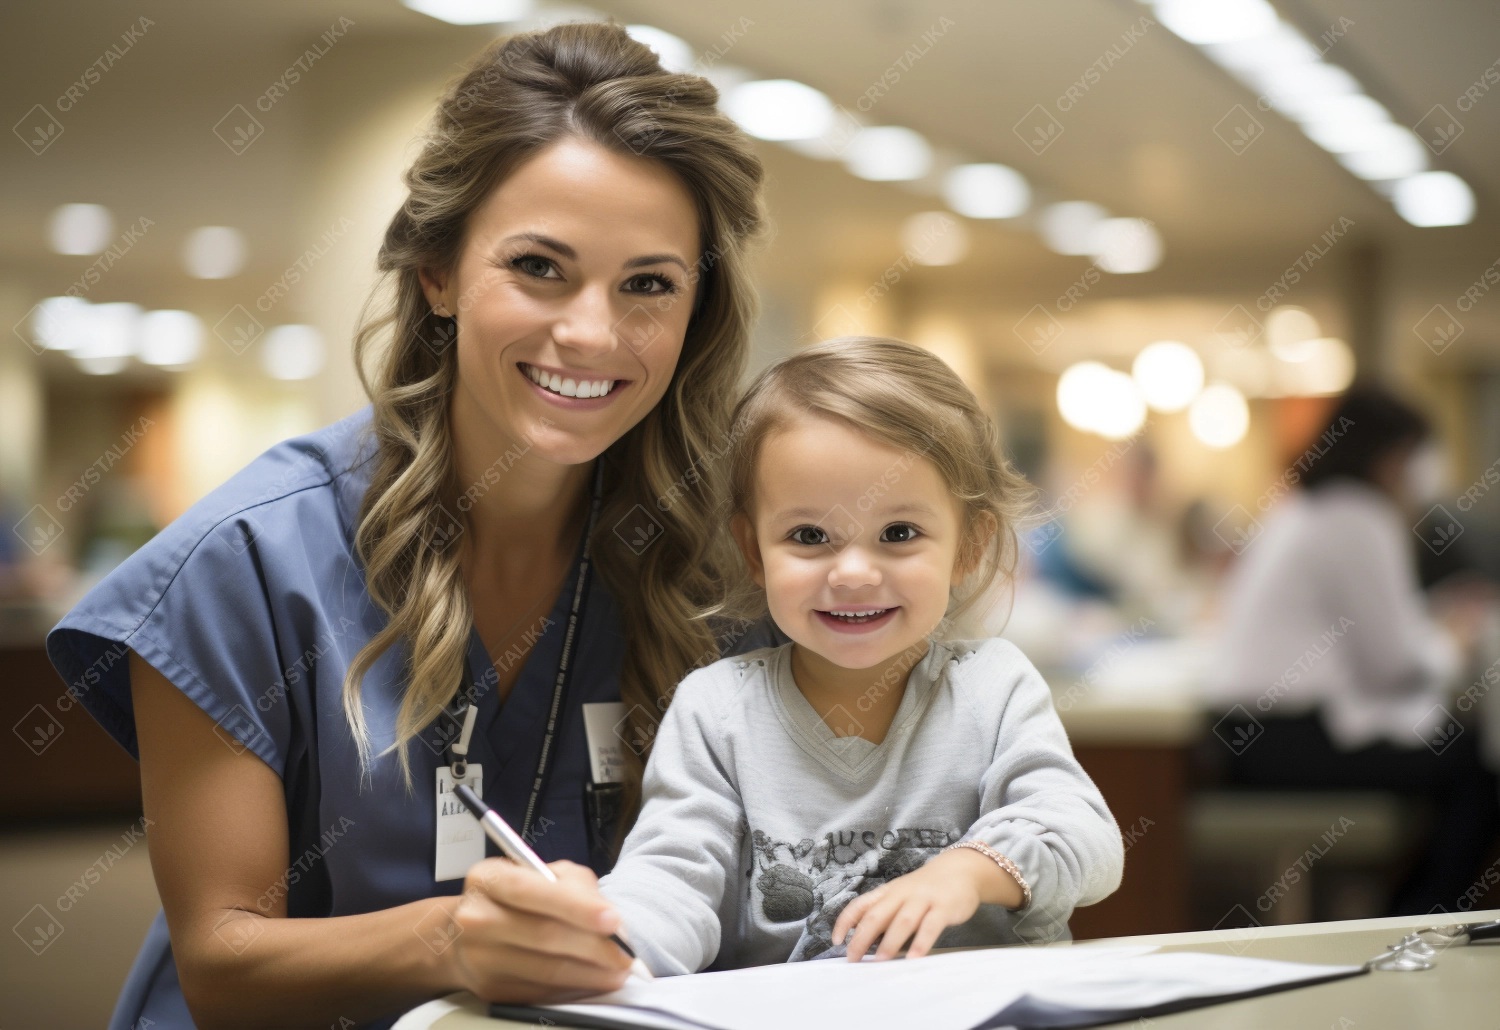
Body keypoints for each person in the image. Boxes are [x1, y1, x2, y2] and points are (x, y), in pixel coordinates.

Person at [44, 22, 770, 1029]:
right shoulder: (250, 562)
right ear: (438, 270)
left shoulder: (721, 574)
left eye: (648, 283)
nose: (593, 332)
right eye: (539, 267)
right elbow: (220, 959)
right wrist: (448, 940)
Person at [596, 338, 1125, 973]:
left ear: (969, 546)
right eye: (809, 536)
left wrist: (969, 871)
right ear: (752, 549)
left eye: (898, 534)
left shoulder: (994, 687)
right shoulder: (716, 709)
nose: (851, 573)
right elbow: (670, 878)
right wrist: (609, 946)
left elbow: (1086, 839)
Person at [1208, 385, 1500, 915]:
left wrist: (1431, 619)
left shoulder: (1304, 508)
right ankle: (1417, 921)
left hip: (1248, 735)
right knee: (1478, 766)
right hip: (1290, 737)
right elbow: (1394, 665)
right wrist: (1452, 642)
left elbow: (1362, 629)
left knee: (1457, 757)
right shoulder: (1358, 515)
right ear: (1393, 454)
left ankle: (1406, 912)